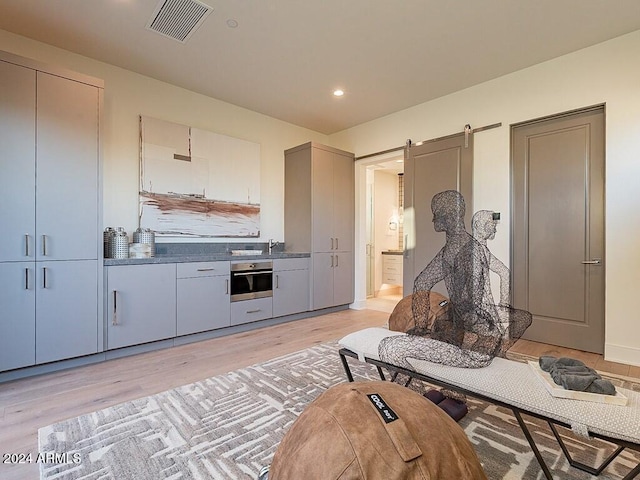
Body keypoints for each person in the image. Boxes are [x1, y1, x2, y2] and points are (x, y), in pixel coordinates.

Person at [379, 191, 531, 369]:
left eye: (436, 214)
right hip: (478, 335)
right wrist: (423, 328)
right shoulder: (459, 247)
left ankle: (421, 394)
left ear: (449, 217)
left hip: (474, 348)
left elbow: (470, 309)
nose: (433, 220)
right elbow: (422, 282)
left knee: (388, 347)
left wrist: (429, 332)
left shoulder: (462, 252)